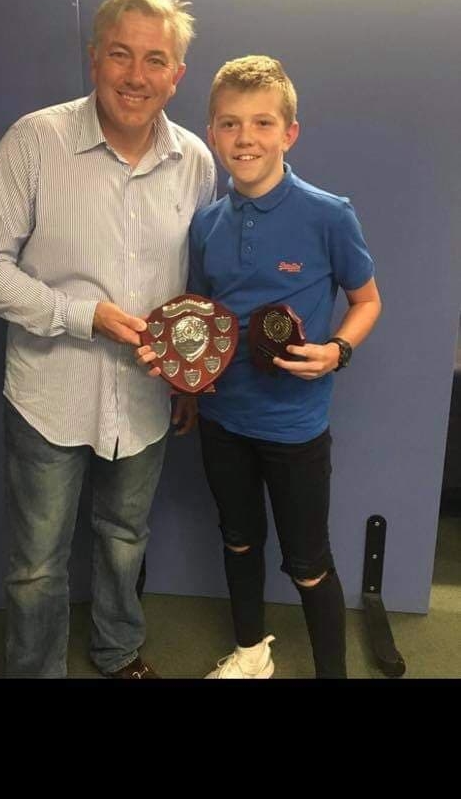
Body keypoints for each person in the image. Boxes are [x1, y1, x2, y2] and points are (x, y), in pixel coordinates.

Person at [0, 0, 217, 679]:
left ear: (176, 75)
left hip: (146, 397)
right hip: (50, 391)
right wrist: (84, 316)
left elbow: (195, 282)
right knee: (37, 564)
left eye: (155, 60)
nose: (136, 76)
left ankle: (117, 651)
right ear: (94, 56)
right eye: (121, 54)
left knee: (126, 538)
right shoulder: (35, 141)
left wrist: (188, 379)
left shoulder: (196, 161)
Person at [139, 54, 381, 678]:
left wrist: (337, 351)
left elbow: (367, 301)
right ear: (213, 132)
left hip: (294, 426)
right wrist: (187, 389)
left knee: (308, 563)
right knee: (238, 539)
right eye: (230, 124)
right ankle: (251, 655)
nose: (245, 138)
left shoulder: (329, 213)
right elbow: (200, 319)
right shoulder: (206, 224)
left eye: (262, 123)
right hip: (223, 418)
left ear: (289, 133)